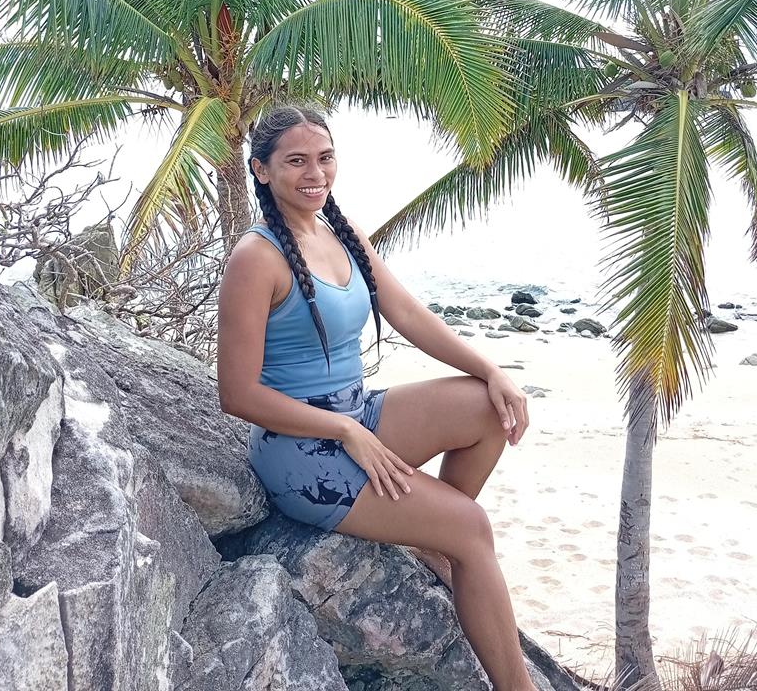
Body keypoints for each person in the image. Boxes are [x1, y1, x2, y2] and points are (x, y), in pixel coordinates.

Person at [217, 104, 538, 691]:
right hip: (300, 451)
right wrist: (344, 431)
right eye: (296, 161)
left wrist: (491, 370)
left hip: (356, 412)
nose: (315, 173)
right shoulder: (255, 258)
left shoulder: (341, 233)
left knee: (486, 407)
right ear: (261, 170)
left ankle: (430, 538)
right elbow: (237, 394)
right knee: (472, 528)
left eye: (324, 157)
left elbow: (408, 313)